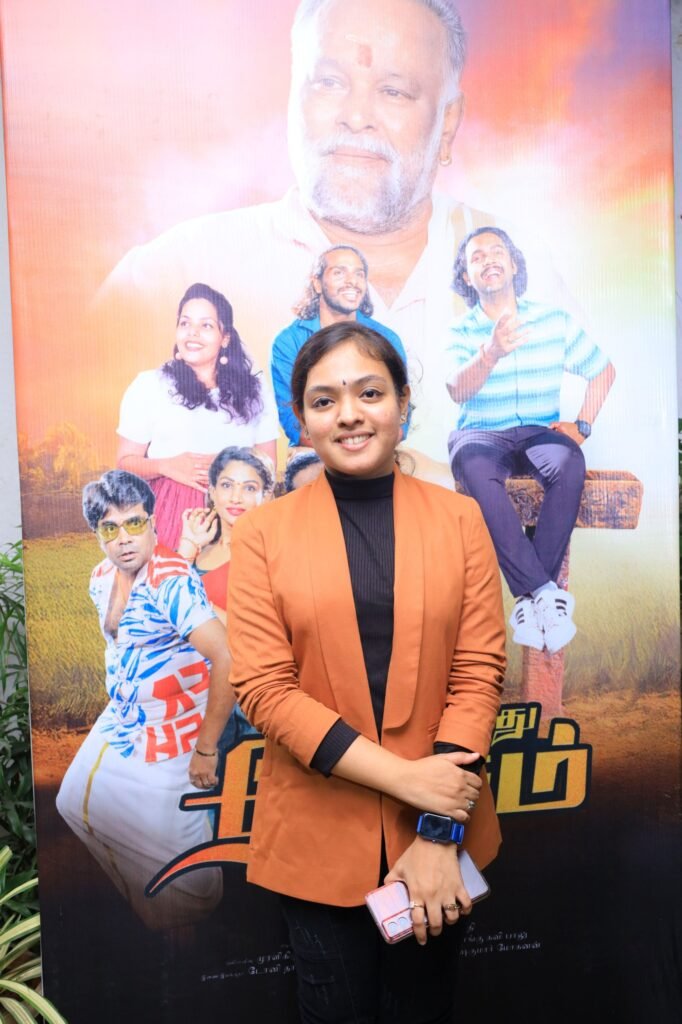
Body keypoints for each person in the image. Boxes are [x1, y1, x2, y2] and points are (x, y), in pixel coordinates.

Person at [94, 0, 568, 481]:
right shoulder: (165, 270)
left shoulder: (513, 262)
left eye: (394, 90)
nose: (356, 117)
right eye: (329, 82)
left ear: (447, 123)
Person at [227, 323, 506, 1022]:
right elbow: (265, 690)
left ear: (403, 402)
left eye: (370, 393)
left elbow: (477, 673)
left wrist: (437, 832)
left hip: (439, 835)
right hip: (317, 838)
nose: (348, 414)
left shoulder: (461, 519)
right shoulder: (262, 534)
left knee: (424, 1009)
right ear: (303, 422)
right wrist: (407, 780)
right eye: (324, 401)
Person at [56, 470, 230, 929]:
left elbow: (228, 659)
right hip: (125, 718)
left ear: (152, 522)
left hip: (177, 732)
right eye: (109, 529)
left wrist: (206, 749)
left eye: (134, 523)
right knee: (72, 802)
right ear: (97, 535)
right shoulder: (100, 577)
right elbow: (130, 641)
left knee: (199, 886)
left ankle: (185, 927)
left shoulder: (171, 582)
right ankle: (152, 909)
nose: (124, 538)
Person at [446, 227, 616, 653]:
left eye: (496, 252)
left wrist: (583, 425)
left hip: (539, 432)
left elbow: (603, 370)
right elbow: (457, 391)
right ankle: (544, 594)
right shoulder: (461, 330)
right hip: (481, 433)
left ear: (513, 263)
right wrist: (490, 353)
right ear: (467, 276)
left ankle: (528, 599)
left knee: (569, 460)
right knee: (472, 465)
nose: (488, 260)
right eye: (476, 257)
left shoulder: (553, 320)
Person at [116, 282, 278, 548]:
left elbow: (268, 464)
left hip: (239, 514)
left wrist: (228, 464)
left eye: (206, 325)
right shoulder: (149, 385)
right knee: (175, 574)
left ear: (225, 337)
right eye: (185, 323)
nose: (193, 333)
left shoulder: (255, 391)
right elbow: (124, 462)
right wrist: (165, 465)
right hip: (171, 516)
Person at [177, 447, 274, 757]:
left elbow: (255, 635)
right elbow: (163, 604)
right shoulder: (200, 549)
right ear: (211, 491)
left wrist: (196, 605)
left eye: (249, 488)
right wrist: (187, 547)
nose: (236, 497)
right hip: (188, 693)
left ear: (265, 496)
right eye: (227, 485)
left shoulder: (269, 552)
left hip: (241, 699)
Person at [271, 244, 409, 445]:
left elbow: (401, 415)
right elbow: (294, 421)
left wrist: (366, 449)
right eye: (339, 272)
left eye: (359, 274)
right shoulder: (289, 342)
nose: (352, 281)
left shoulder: (387, 338)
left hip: (375, 447)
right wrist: (343, 451)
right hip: (316, 451)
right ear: (317, 284)